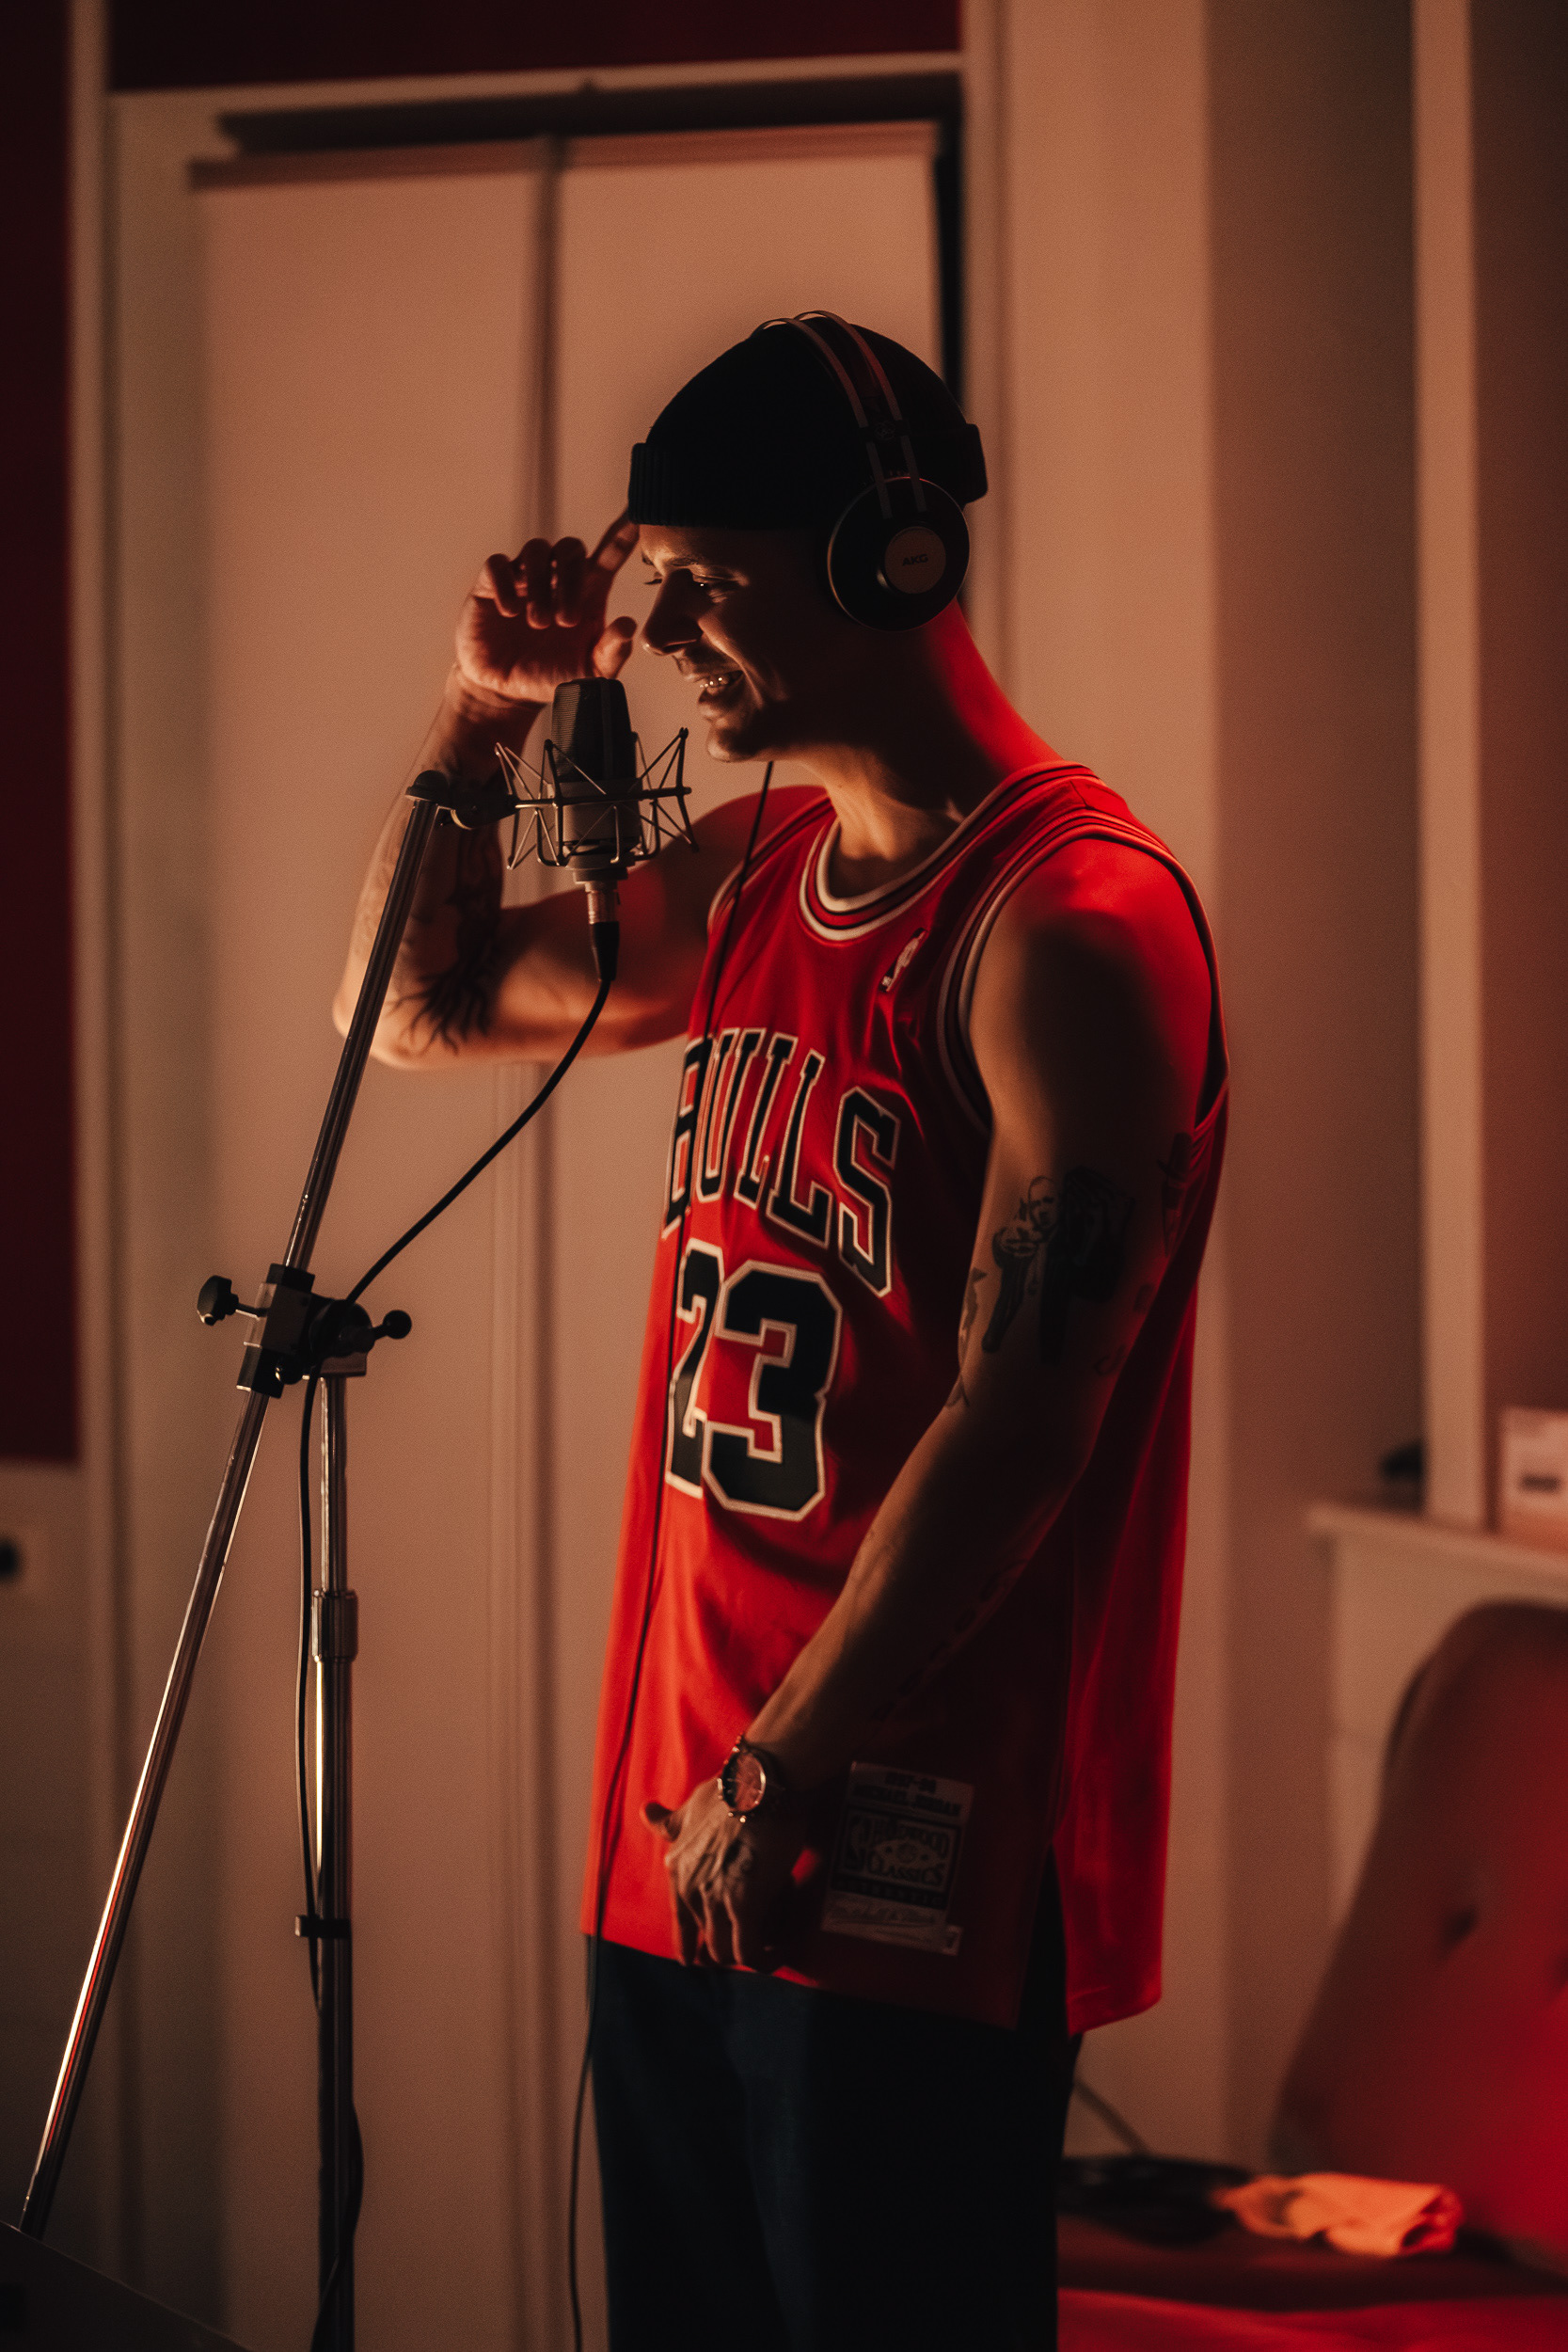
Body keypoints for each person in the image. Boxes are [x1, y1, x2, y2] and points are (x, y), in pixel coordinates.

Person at [338, 317, 1227, 2351]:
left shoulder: (1073, 926)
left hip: (896, 1837)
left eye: (703, 585)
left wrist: (781, 1764)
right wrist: (478, 717)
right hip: (680, 1818)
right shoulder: (760, 870)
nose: (659, 640)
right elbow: (411, 1010)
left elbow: (1029, 1412)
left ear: (888, 560)